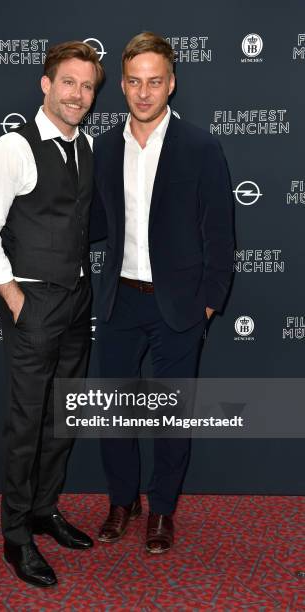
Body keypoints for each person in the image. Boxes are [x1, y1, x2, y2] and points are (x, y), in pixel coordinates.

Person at [91, 32, 234, 554]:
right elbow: (88, 223)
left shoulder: (201, 146)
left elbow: (220, 232)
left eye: (155, 81)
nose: (144, 92)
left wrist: (209, 301)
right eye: (134, 82)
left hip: (180, 304)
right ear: (122, 85)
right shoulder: (104, 147)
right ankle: (121, 502)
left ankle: (163, 510)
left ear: (171, 83)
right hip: (118, 301)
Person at [0, 41, 104, 587]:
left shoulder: (87, 145)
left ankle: (45, 510)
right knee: (26, 423)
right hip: (34, 302)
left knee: (61, 416)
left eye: (88, 86)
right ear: (45, 85)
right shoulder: (11, 150)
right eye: (68, 82)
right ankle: (16, 534)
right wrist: (17, 299)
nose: (78, 94)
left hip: (77, 301)